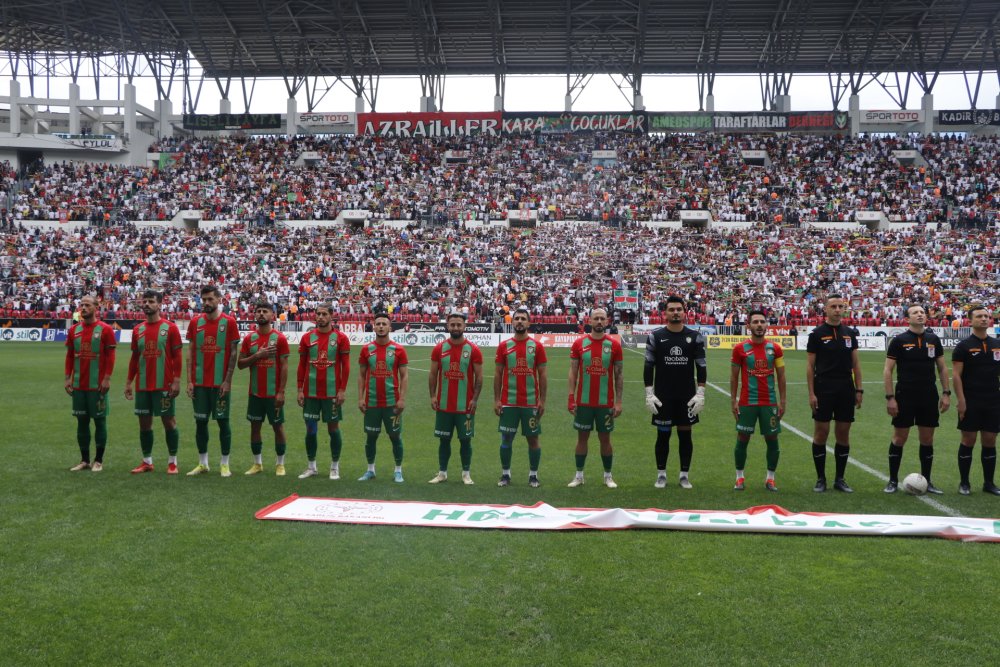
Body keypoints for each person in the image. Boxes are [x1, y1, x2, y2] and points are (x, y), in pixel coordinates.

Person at [882, 304, 950, 493]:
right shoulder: (899, 340)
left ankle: (927, 481)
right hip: (905, 395)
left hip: (928, 395)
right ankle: (893, 481)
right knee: (899, 437)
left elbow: (943, 368)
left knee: (927, 439)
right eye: (915, 313)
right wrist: (890, 397)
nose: (920, 315)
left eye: (922, 312)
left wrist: (946, 393)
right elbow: (888, 370)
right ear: (907, 318)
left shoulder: (933, 339)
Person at [643, 295, 706, 489]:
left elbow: (701, 366)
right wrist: (649, 393)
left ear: (685, 312)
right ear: (665, 313)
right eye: (672, 309)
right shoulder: (655, 336)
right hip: (663, 397)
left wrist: (700, 392)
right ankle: (661, 474)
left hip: (687, 396)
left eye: (679, 309)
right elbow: (648, 365)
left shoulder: (695, 336)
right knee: (663, 435)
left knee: (685, 435)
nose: (675, 312)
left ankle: (684, 475)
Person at [805, 294, 863, 493]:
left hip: (846, 387)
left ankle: (840, 478)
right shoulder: (817, 334)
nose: (838, 310)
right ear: (826, 309)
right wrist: (811, 393)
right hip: (824, 387)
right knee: (821, 433)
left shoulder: (850, 333)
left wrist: (859, 389)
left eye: (841, 306)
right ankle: (820, 478)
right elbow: (810, 366)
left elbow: (856, 364)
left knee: (843, 434)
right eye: (834, 306)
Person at [124, 290, 183, 474]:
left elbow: (178, 356)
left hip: (164, 384)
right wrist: (128, 382)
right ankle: (147, 461)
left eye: (151, 301)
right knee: (144, 423)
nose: (147, 304)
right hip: (143, 385)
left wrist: (176, 380)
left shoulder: (170, 328)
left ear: (159, 304)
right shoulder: (137, 330)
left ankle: (172, 462)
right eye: (145, 301)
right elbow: (135, 358)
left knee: (169, 421)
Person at [185, 284, 240, 476]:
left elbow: (233, 354)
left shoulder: (229, 323)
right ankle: (203, 463)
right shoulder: (195, 323)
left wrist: (227, 381)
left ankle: (224, 463)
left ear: (219, 300)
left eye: (210, 299)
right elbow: (190, 353)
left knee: (223, 422)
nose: (206, 302)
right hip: (199, 384)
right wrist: (189, 381)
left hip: (220, 384)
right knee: (200, 423)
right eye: (204, 299)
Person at [566, 308, 623, 489]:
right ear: (589, 321)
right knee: (582, 438)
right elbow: (573, 372)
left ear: (607, 322)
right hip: (583, 402)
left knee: (605, 439)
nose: (599, 321)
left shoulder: (614, 346)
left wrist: (618, 402)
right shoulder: (579, 344)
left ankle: (608, 476)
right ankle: (579, 475)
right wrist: (571, 398)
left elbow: (619, 375)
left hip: (605, 403)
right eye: (596, 318)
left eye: (602, 319)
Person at [730, 310, 786, 491]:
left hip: (769, 402)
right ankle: (739, 477)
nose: (759, 325)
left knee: (772, 438)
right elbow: (734, 377)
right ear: (749, 326)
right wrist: (733, 400)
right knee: (743, 437)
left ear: (767, 325)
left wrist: (782, 401)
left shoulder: (775, 349)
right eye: (755, 322)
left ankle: (770, 479)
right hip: (747, 402)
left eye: (762, 321)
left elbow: (782, 377)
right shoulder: (740, 349)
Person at [494, 307, 548, 487]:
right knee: (506, 438)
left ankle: (533, 475)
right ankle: (505, 474)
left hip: (530, 402)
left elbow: (543, 375)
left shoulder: (537, 346)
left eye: (523, 319)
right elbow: (498, 374)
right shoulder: (504, 346)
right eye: (516, 318)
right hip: (508, 402)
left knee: (533, 439)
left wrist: (542, 400)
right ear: (512, 321)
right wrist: (496, 399)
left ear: (528, 323)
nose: (519, 321)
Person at [296, 304, 351, 479]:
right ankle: (312, 466)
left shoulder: (340, 338)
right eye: (318, 314)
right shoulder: (307, 338)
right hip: (310, 392)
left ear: (331, 316)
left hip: (332, 393)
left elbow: (346, 366)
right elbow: (302, 365)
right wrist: (299, 389)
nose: (320, 317)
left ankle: (334, 466)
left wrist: (342, 390)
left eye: (324, 314)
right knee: (310, 429)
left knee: (333, 429)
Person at [428, 312, 484, 485]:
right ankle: (442, 473)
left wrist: (474, 399)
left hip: (464, 406)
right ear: (447, 326)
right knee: (444, 440)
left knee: (465, 440)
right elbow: (432, 374)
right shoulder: (439, 348)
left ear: (464, 326)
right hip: (444, 405)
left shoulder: (473, 350)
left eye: (459, 325)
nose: (455, 328)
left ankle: (466, 474)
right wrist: (432, 396)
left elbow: (479, 377)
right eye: (452, 325)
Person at [238, 301, 291, 476]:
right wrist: (258, 355)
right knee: (255, 427)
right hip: (255, 393)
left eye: (265, 311)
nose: (261, 314)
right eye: (258, 311)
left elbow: (284, 366)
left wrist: (281, 392)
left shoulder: (280, 338)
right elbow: (240, 364)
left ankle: (280, 464)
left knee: (278, 427)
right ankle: (257, 463)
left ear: (272, 316)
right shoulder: (249, 339)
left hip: (273, 393)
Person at [952, 305, 1000, 495]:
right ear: (970, 321)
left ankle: (989, 483)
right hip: (971, 399)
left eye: (986, 316)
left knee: (990, 440)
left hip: (993, 400)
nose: (983, 319)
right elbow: (956, 376)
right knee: (968, 439)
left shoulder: (997, 344)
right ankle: (964, 483)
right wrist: (961, 400)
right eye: (979, 316)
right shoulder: (963, 346)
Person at [65, 295, 116, 472]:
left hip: (97, 386)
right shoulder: (74, 331)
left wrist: (107, 378)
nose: (83, 308)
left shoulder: (106, 329)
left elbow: (111, 356)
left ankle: (99, 460)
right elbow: (70, 356)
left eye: (87, 305)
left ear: (96, 307)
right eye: (81, 305)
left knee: (100, 422)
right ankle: (85, 460)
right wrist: (67, 378)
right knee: (81, 422)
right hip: (79, 385)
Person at [357, 313, 408, 482]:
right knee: (371, 437)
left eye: (383, 324)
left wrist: (402, 399)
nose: (380, 326)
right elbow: (362, 375)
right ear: (373, 326)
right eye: (377, 323)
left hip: (392, 402)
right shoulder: (366, 349)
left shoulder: (399, 350)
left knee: (395, 436)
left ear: (389, 327)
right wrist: (360, 398)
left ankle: (398, 470)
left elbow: (404, 376)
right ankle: (370, 470)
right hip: (372, 402)